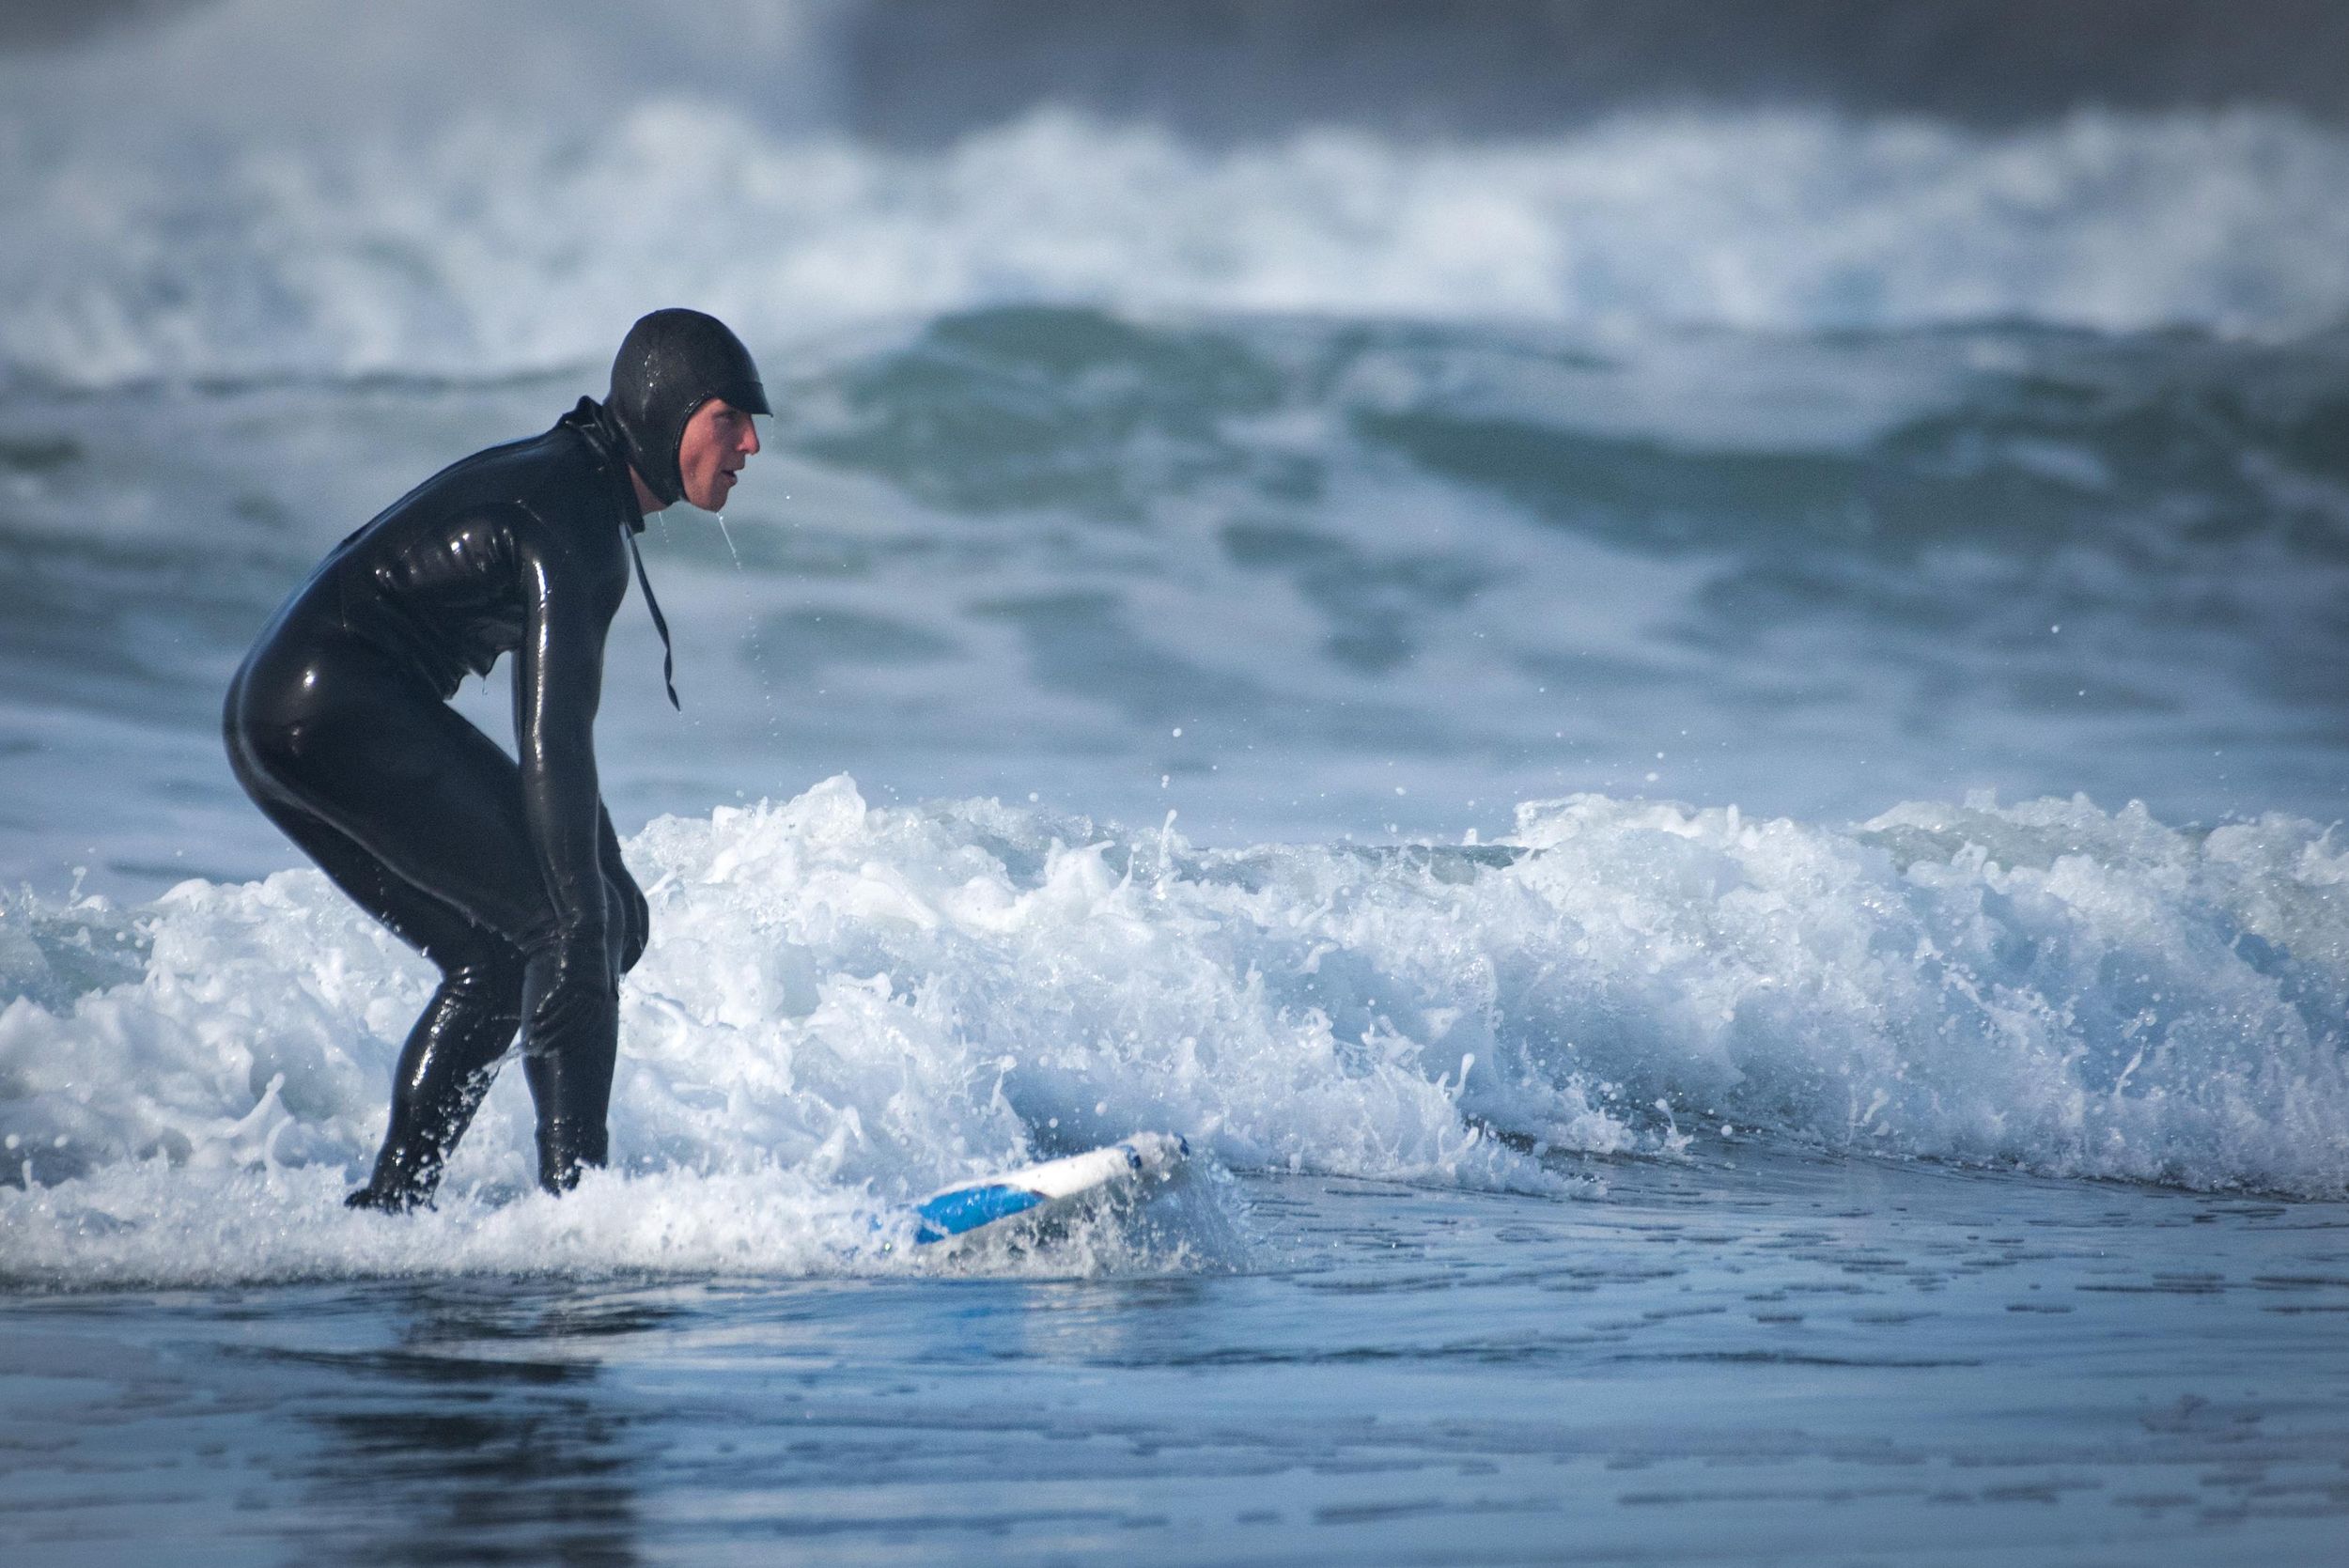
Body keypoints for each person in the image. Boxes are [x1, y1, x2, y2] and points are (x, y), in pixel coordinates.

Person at [223, 308, 766, 1211]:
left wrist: (607, 881)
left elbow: (547, 747)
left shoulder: (570, 491)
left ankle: (393, 1206)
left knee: (506, 949)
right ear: (670, 412)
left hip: (285, 706)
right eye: (729, 417)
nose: (750, 441)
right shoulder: (574, 521)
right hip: (332, 703)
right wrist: (586, 917)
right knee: (564, 924)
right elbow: (551, 740)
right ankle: (577, 1208)